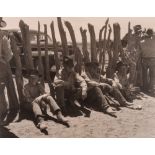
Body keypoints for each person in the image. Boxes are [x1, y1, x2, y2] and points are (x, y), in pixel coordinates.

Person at [141, 28, 155, 95]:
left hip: (144, 59)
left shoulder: (141, 42)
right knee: (152, 75)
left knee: (145, 75)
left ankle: (145, 88)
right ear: (152, 34)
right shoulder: (154, 41)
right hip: (152, 59)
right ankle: (151, 88)